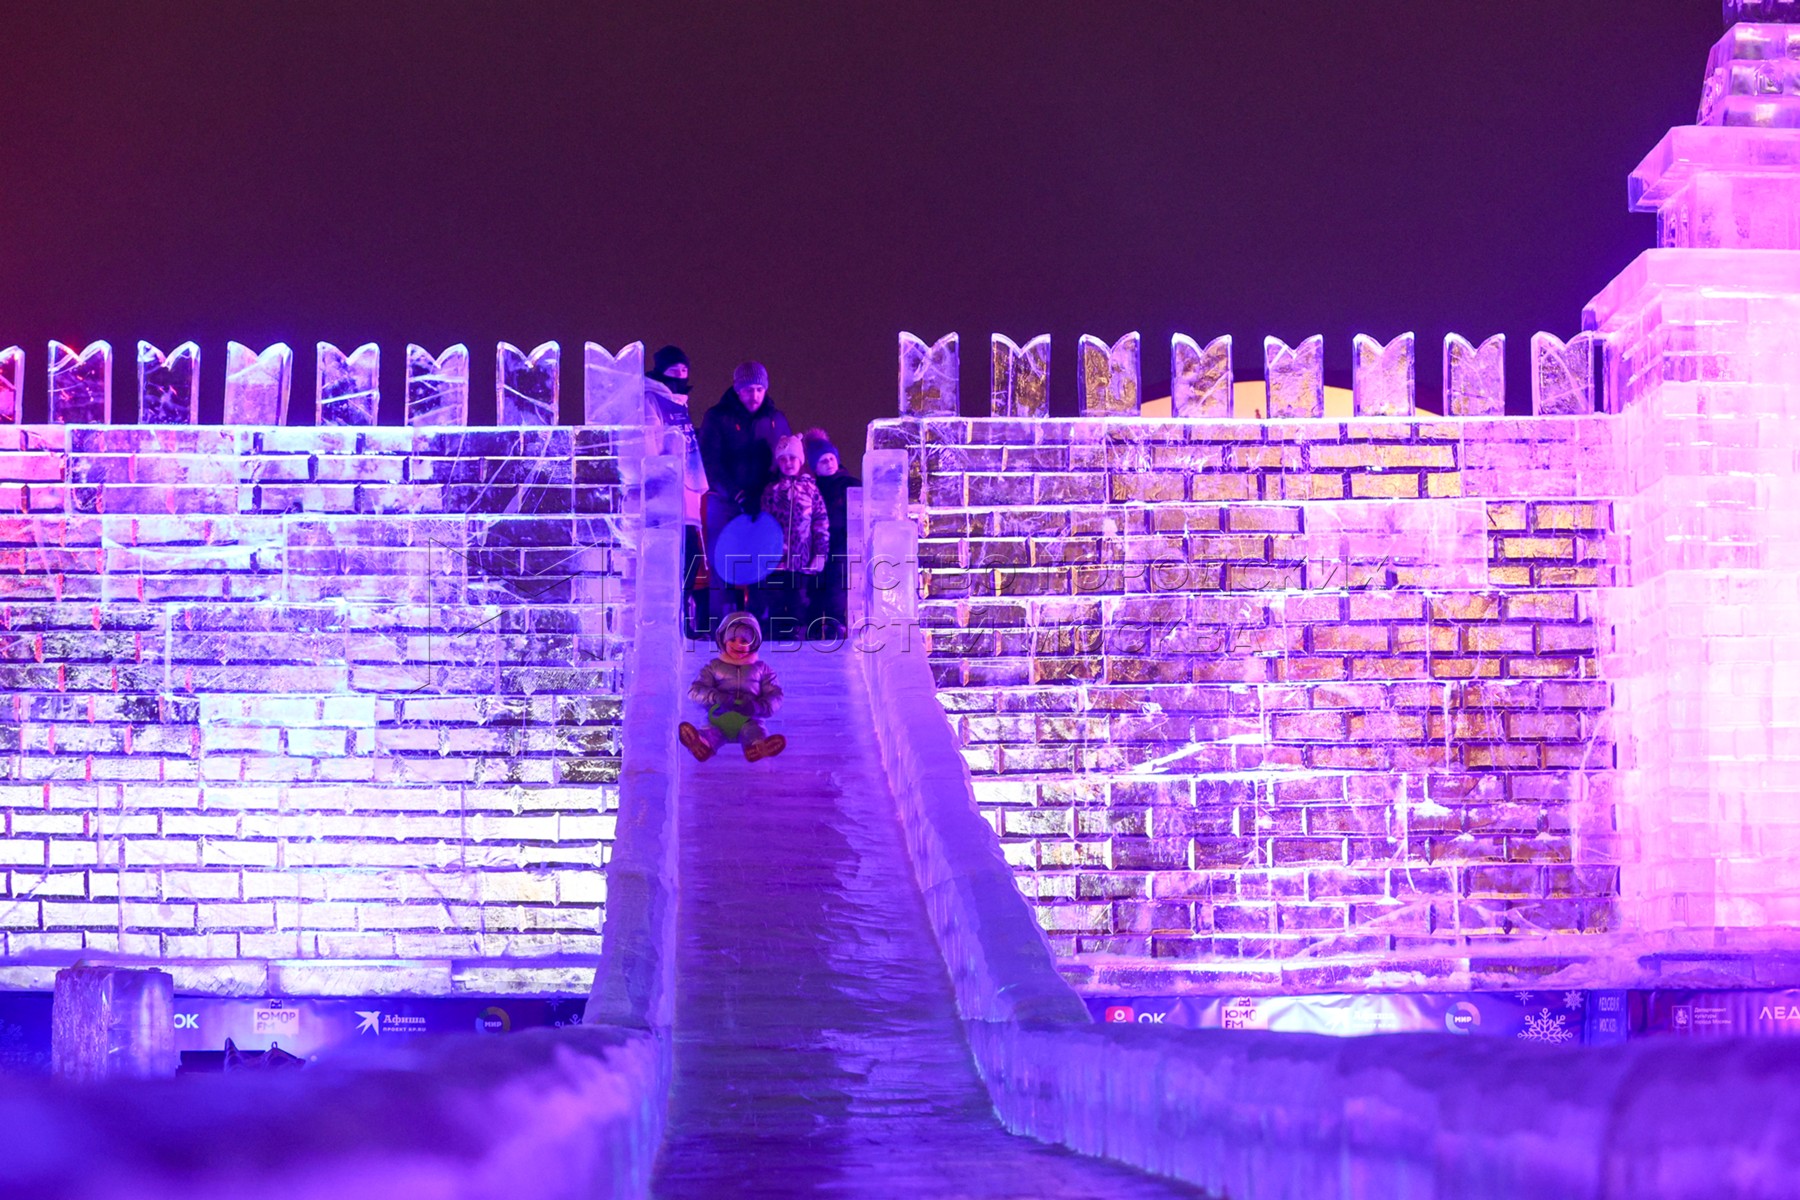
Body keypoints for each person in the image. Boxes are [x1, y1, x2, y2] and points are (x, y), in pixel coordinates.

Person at [697, 362, 792, 627]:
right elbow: (710, 461)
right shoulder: (717, 417)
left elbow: (784, 458)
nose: (754, 395)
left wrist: (770, 493)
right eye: (749, 389)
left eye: (759, 389)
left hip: (762, 503)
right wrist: (736, 493)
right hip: (725, 502)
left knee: (762, 562)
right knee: (723, 562)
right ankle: (722, 624)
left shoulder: (775, 419)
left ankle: (761, 623)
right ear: (738, 390)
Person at [644, 346, 710, 638]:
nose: (680, 376)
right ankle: (671, 620)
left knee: (689, 558)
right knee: (674, 560)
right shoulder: (651, 399)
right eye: (674, 371)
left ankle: (682, 618)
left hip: (686, 493)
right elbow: (650, 443)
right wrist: (658, 477)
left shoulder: (680, 402)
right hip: (666, 494)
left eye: (684, 371)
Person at [679, 611, 786, 762]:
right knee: (712, 732)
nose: (738, 645)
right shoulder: (714, 667)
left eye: (744, 641)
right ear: (723, 641)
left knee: (754, 731)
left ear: (753, 643)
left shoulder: (762, 669)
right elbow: (695, 690)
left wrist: (758, 706)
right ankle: (701, 744)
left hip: (749, 717)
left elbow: (775, 695)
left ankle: (758, 747)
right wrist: (715, 697)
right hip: (718, 716)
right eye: (732, 640)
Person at [758, 434, 829, 639]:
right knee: (776, 603)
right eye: (783, 459)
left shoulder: (811, 490)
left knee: (799, 604)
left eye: (792, 458)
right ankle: (776, 640)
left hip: (802, 561)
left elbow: (821, 522)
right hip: (776, 562)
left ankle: (798, 641)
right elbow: (764, 524)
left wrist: (820, 554)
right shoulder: (771, 490)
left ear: (801, 460)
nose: (788, 463)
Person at [803, 427, 859, 637]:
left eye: (831, 458)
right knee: (815, 593)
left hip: (841, 547)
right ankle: (813, 634)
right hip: (816, 548)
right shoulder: (810, 488)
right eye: (823, 461)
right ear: (815, 467)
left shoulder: (850, 485)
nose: (829, 463)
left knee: (837, 592)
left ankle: (836, 630)